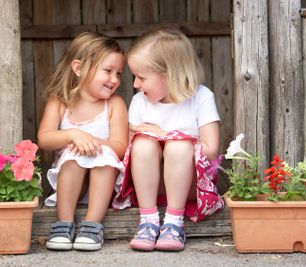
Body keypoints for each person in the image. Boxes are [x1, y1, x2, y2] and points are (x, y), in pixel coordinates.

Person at [112, 28, 224, 252]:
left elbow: (210, 150)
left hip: (191, 186)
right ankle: (148, 222)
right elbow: (128, 151)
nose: (135, 84)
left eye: (141, 77)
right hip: (150, 187)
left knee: (179, 146)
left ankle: (174, 223)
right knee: (142, 143)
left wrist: (165, 135)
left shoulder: (201, 98)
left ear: (169, 74)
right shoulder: (140, 102)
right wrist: (141, 136)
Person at [38, 32, 128, 251]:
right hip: (69, 185)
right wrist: (74, 135)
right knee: (74, 155)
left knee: (104, 156)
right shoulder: (60, 101)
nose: (114, 79)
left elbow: (119, 147)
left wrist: (94, 142)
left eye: (119, 73)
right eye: (108, 71)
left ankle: (92, 226)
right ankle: (63, 223)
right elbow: (44, 138)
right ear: (78, 68)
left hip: (102, 186)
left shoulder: (115, 104)